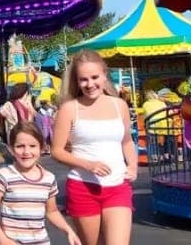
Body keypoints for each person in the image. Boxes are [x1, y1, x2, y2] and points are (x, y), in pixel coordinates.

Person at [51, 51, 136, 245]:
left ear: (105, 75)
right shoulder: (69, 109)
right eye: (84, 80)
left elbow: (126, 141)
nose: (90, 84)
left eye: (95, 77)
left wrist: (132, 166)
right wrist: (88, 165)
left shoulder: (119, 105)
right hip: (84, 187)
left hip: (118, 186)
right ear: (77, 81)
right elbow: (57, 150)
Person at [0, 122, 81, 245]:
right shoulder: (5, 176)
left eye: (32, 146)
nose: (26, 151)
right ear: (11, 149)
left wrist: (69, 230)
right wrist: (2, 238)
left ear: (42, 148)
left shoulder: (48, 179)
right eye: (20, 146)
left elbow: (52, 211)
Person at [140, 90, 173, 161]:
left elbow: (145, 116)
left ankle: (155, 156)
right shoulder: (162, 103)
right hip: (164, 124)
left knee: (153, 140)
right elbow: (168, 112)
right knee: (166, 139)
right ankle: (167, 155)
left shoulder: (145, 104)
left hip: (153, 124)